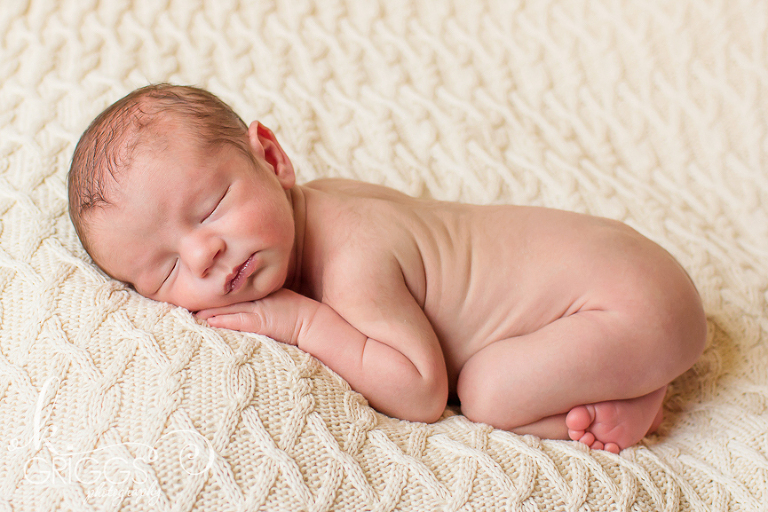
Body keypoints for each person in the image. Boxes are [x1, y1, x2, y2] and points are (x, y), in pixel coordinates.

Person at [68, 84, 707, 453]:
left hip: (629, 304)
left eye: (210, 207)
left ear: (272, 156)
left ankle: (637, 390)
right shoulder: (322, 199)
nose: (203, 255)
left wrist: (297, 323)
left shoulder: (352, 257)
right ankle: (631, 367)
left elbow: (423, 390)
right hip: (627, 267)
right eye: (164, 270)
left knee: (482, 392)